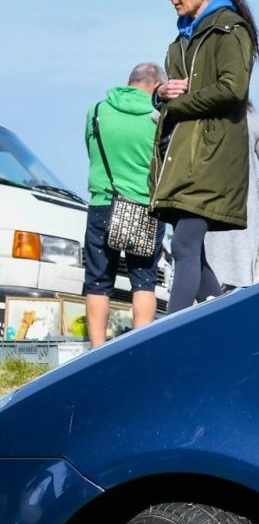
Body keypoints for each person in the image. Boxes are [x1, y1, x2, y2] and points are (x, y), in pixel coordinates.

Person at [150, 0, 259, 312]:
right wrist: (159, 93)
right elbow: (175, 90)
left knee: (183, 245)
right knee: (192, 253)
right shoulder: (181, 39)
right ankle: (224, 315)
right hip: (184, 155)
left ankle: (168, 336)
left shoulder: (230, 28)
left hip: (211, 156)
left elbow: (233, 88)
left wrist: (174, 106)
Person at [82, 62, 164, 346]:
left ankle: (96, 351)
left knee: (98, 281)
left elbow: (91, 152)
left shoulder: (97, 112)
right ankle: (139, 348)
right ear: (155, 86)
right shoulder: (157, 117)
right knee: (143, 281)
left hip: (103, 203)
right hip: (143, 209)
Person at [204, 103, 259, 289]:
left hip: (207, 207)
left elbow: (156, 116)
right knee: (241, 285)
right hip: (244, 214)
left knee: (204, 277)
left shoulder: (204, 112)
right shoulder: (253, 117)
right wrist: (252, 200)